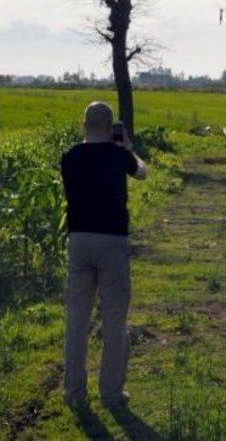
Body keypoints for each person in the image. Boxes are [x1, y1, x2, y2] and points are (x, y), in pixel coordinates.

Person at [61, 101, 147, 408]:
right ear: (111, 128)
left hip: (79, 240)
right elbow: (142, 173)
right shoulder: (118, 155)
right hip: (112, 242)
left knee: (77, 320)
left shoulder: (69, 157)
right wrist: (128, 147)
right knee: (113, 321)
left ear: (83, 125)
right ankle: (111, 394)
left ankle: (73, 393)